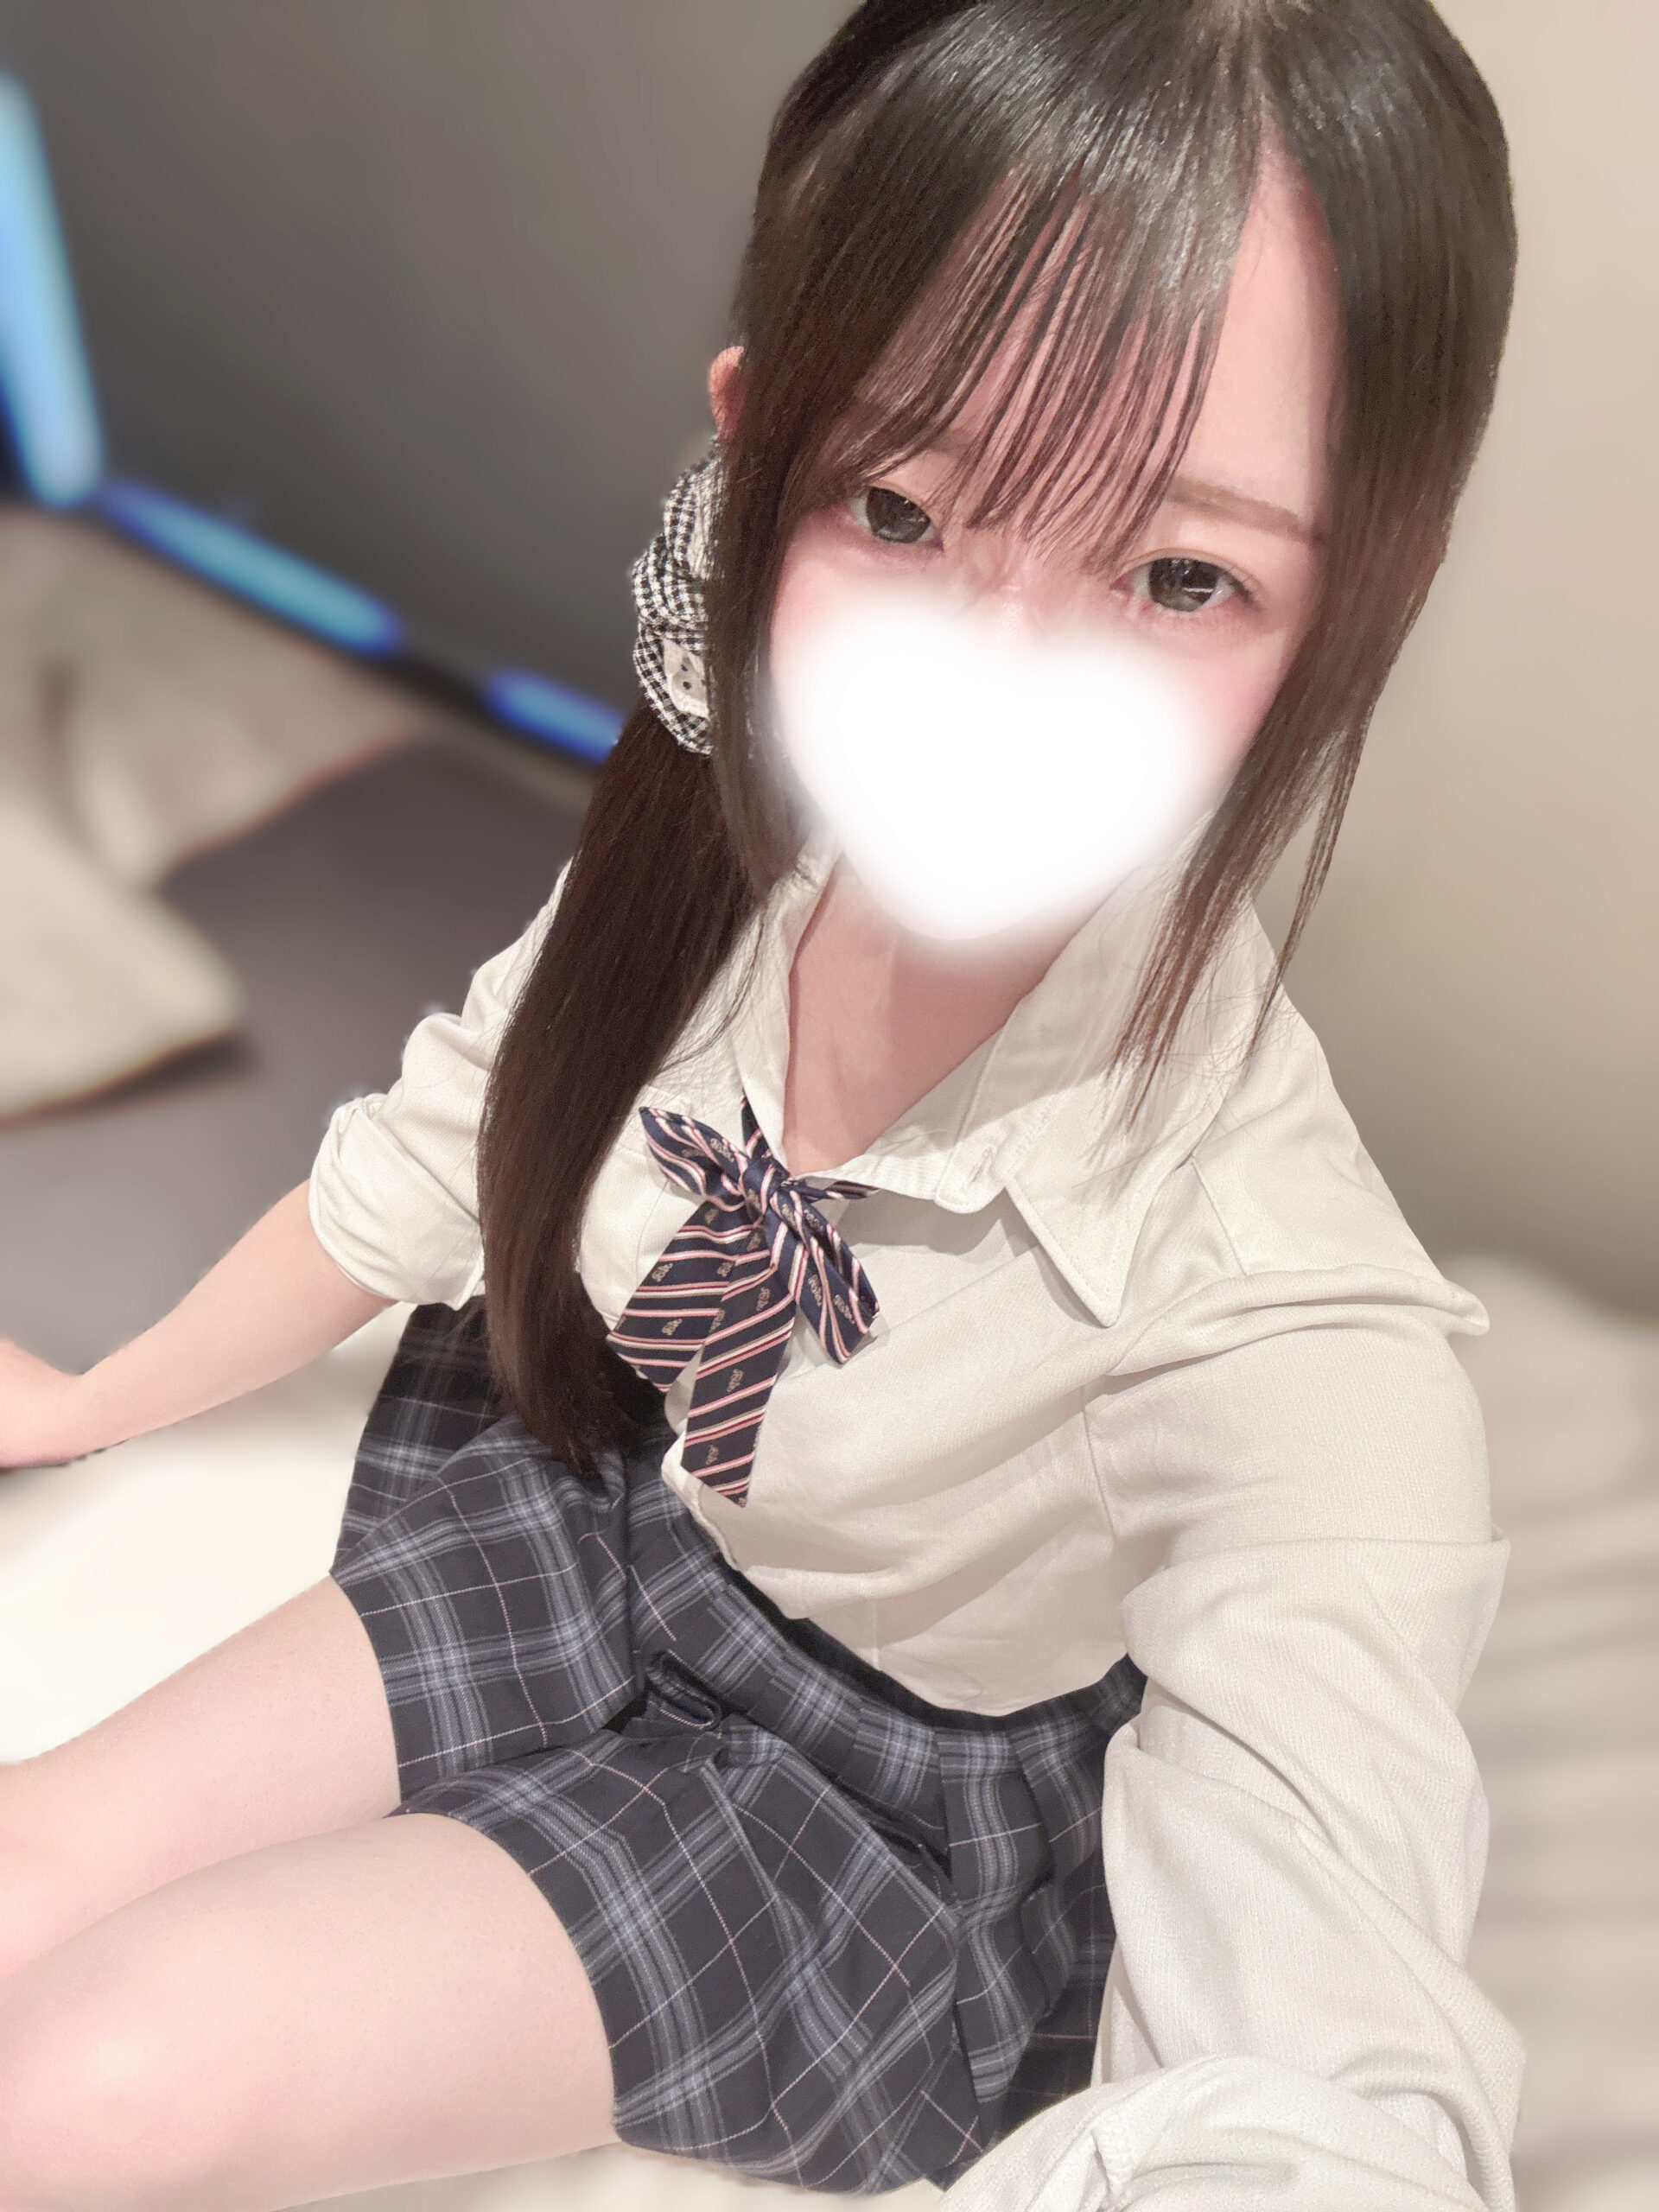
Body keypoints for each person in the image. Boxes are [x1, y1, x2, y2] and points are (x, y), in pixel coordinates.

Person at [0, 3, 1523, 2207]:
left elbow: (1329, 2042)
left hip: (855, 1814)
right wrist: (96, 1400)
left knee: (91, 2082)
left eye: (1179, 573)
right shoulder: (710, 873)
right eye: (901, 506)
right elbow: (433, 1151)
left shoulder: (1282, 1326)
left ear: (1353, 598)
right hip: (589, 1514)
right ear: (753, 441)